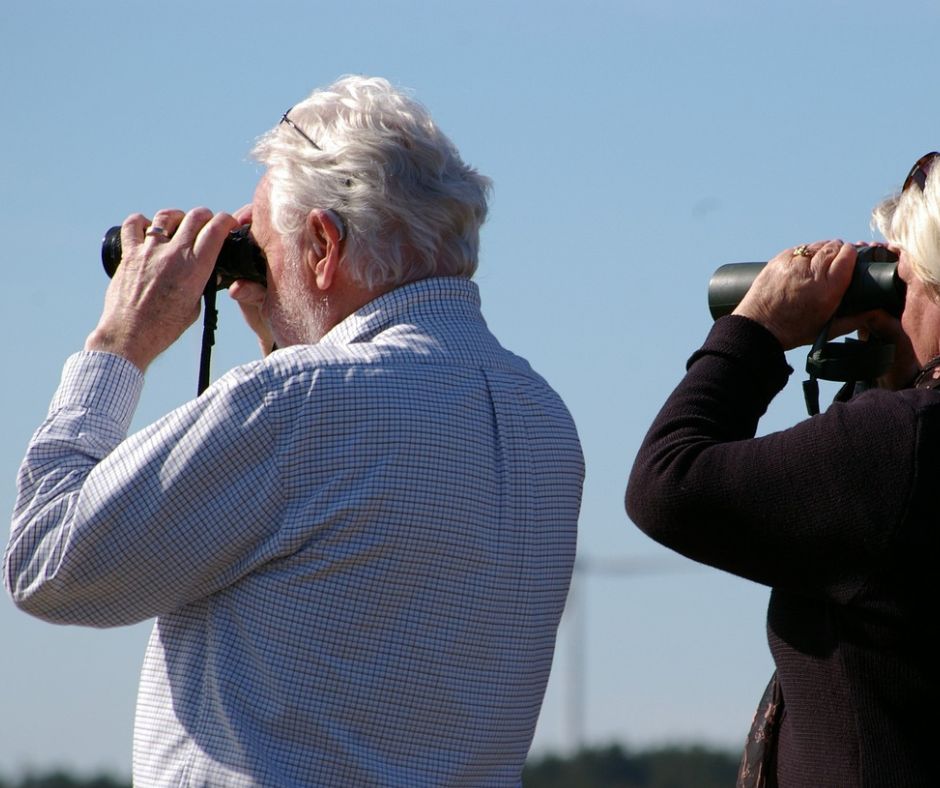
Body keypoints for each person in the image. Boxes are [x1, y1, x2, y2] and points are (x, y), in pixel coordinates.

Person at [5, 75, 584, 787]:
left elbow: (48, 564)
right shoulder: (543, 419)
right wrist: (283, 339)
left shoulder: (296, 404)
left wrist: (120, 342)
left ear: (321, 245)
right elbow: (346, 608)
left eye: (264, 243)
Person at [625, 152, 940, 787]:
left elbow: (668, 484)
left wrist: (757, 330)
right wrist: (885, 375)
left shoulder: (906, 444)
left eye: (899, 280)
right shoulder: (901, 442)